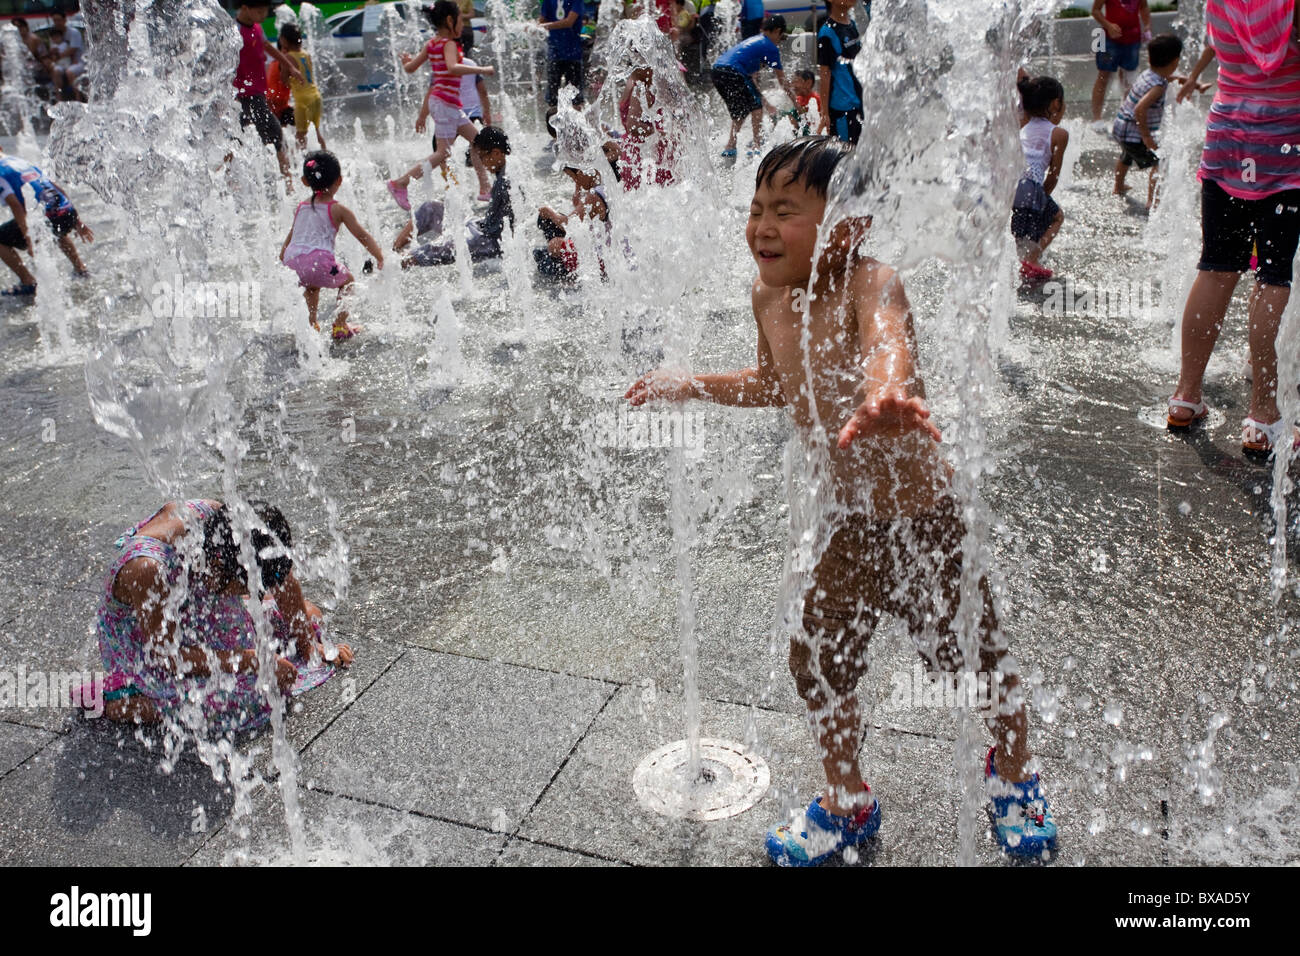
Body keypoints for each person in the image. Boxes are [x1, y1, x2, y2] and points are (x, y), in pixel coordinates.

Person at [625, 137, 1056, 866]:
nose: (761, 226)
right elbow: (774, 384)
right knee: (818, 663)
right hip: (845, 527)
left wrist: (887, 386)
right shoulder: (769, 296)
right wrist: (692, 381)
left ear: (848, 225)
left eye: (785, 210)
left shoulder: (872, 282)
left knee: (972, 658)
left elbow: (890, 340)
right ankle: (847, 800)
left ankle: (1013, 774)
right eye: (756, 208)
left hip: (924, 521)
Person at [1165, 0, 1300, 458]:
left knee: (1216, 266)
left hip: (1227, 138)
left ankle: (1186, 395)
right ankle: (1262, 414)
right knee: (1272, 275)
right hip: (1284, 144)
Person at [96, 499, 354, 732]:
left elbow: (282, 577)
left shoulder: (220, 522)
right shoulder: (148, 569)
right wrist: (253, 660)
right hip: (146, 645)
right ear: (219, 567)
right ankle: (125, 700)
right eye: (247, 587)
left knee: (308, 616)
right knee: (250, 696)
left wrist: (308, 647)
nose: (255, 593)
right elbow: (167, 658)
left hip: (193, 608)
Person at [390, 1, 496, 204]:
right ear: (450, 20)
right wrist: (481, 70)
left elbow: (411, 68)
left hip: (447, 104)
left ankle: (486, 189)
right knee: (443, 152)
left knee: (480, 141)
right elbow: (453, 67)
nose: (461, 26)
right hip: (445, 104)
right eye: (459, 21)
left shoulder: (431, 44)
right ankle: (400, 183)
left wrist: (405, 61)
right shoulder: (449, 44)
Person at [280, 151, 384, 339]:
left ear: (305, 181)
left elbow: (292, 233)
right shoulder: (337, 209)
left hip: (293, 261)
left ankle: (311, 326)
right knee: (348, 281)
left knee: (311, 287)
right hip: (319, 263)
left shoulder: (301, 206)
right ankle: (340, 325)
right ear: (339, 181)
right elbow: (362, 236)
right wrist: (380, 256)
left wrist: (282, 255)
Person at [391, 125, 513, 267]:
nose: (482, 163)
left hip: (489, 241)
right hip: (480, 226)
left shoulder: (510, 179)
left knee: (445, 244)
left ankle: (394, 264)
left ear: (497, 153)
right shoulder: (504, 171)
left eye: (483, 157)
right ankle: (393, 251)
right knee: (430, 208)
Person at [1111, 34, 1190, 211]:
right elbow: (1140, 109)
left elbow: (1166, 77)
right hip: (1135, 134)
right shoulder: (1158, 87)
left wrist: (1185, 80)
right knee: (1159, 162)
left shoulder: (1149, 74)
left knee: (1126, 156)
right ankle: (1152, 202)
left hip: (1121, 127)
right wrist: (1146, 136)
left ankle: (1118, 187)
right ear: (1175, 61)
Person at [0, 150, 94, 295]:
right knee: (54, 225)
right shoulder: (22, 162)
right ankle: (81, 269)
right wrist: (76, 220)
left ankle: (28, 282)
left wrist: (30, 239)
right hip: (66, 212)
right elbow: (57, 188)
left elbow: (16, 206)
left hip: (46, 218)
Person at [232, 2, 304, 192]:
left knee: (239, 137)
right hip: (244, 94)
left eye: (265, 11)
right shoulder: (235, 30)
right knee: (272, 132)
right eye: (259, 10)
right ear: (245, 8)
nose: (264, 15)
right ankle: (287, 181)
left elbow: (269, 48)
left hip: (256, 93)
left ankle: (227, 178)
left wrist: (290, 66)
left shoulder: (256, 27)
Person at [710, 15, 797, 157]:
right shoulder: (770, 47)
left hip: (717, 71)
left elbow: (750, 83)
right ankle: (757, 144)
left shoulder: (755, 41)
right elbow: (783, 82)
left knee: (740, 110)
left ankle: (730, 145)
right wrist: (796, 103)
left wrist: (767, 104)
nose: (778, 43)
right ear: (777, 31)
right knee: (755, 108)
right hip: (732, 72)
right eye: (780, 38)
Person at [1011, 75, 1067, 285]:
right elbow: (1053, 175)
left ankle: (1022, 262)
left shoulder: (1022, 124)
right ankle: (1031, 261)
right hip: (1031, 184)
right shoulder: (1058, 133)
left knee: (1022, 225)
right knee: (1056, 217)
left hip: (1013, 183)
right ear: (1055, 104)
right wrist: (1042, 197)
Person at [534, 164, 610, 279]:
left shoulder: (593, 197)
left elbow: (569, 223)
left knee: (552, 246)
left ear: (581, 173)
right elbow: (580, 209)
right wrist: (578, 188)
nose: (575, 182)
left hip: (601, 260)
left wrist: (549, 212)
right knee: (545, 251)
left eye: (573, 178)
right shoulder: (604, 188)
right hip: (607, 252)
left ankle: (566, 279)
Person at [1090, 0, 1151, 130]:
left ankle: (1126, 114)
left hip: (1132, 38)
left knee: (1129, 78)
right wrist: (1108, 25)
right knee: (1103, 76)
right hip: (1107, 39)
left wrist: (1147, 26)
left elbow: (1144, 7)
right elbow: (1095, 10)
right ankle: (1096, 118)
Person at [817, 0, 864, 144]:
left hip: (859, 103)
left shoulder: (852, 25)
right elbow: (825, 73)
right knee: (845, 155)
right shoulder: (827, 33)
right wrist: (824, 113)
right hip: (842, 109)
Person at [279, 23, 326, 151]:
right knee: (315, 132)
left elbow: (283, 80)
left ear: (284, 40)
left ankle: (299, 164)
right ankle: (326, 156)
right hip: (315, 96)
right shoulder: (306, 54)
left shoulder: (288, 58)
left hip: (303, 101)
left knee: (301, 134)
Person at [540, 0, 586, 108]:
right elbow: (541, 21)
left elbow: (569, 22)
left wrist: (544, 26)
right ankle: (552, 122)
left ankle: (577, 123)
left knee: (575, 96)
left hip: (573, 52)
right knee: (552, 96)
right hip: (554, 52)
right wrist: (533, 27)